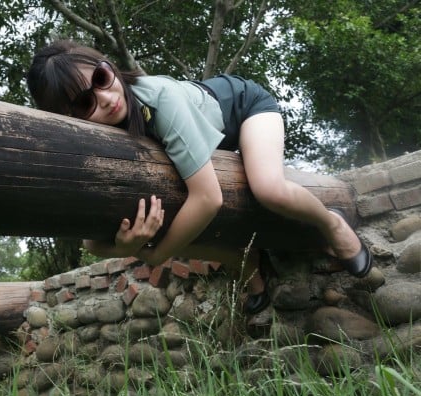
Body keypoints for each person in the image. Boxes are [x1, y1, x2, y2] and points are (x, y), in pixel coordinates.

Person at [26, 40, 372, 314]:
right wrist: (128, 245)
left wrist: (153, 255)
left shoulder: (161, 98)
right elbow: (90, 242)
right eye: (86, 102)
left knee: (268, 188)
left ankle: (331, 223)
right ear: (70, 118)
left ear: (109, 67)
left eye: (101, 78)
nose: (106, 98)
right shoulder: (92, 143)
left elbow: (209, 198)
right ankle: (244, 260)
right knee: (159, 226)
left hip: (242, 110)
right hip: (199, 141)